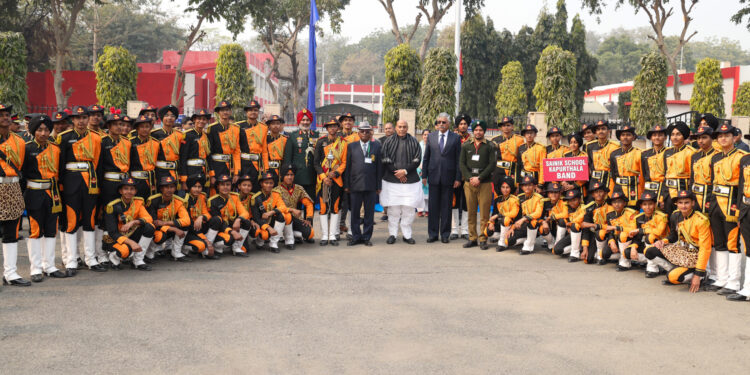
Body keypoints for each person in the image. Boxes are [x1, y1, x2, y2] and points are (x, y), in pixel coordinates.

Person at [57, 105, 105, 274]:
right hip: (71, 181)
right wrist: (61, 186)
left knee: (90, 219)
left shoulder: (97, 138)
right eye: (78, 118)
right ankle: (71, 260)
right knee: (71, 220)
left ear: (88, 119)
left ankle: (91, 258)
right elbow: (60, 165)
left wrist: (98, 185)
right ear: (73, 120)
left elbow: (98, 164)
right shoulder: (64, 138)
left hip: (90, 181)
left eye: (84, 117)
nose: (81, 121)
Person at [22, 114, 66, 282]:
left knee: (50, 230)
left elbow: (60, 172)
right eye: (39, 130)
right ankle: (36, 268)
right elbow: (23, 173)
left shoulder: (55, 149)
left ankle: (50, 265)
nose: (43, 133)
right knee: (35, 230)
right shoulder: (26, 148)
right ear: (34, 131)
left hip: (52, 192)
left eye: (47, 130)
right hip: (34, 192)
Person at [644, 190, 712, 293]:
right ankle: (675, 269)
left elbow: (705, 249)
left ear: (693, 203)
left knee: (672, 277)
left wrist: (698, 274)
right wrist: (664, 241)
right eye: (680, 203)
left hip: (695, 256)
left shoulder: (701, 220)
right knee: (649, 251)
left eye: (686, 202)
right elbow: (673, 236)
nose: (683, 206)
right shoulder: (675, 216)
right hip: (683, 252)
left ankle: (700, 275)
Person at [705, 123, 745, 295]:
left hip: (731, 204)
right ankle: (721, 277)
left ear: (734, 137)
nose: (723, 138)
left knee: (732, 243)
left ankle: (734, 281)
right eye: (720, 136)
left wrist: (739, 209)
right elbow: (712, 182)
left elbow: (743, 185)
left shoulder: (742, 157)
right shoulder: (715, 158)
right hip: (716, 203)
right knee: (719, 242)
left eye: (726, 135)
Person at [97, 111, 131, 266]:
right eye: (116, 124)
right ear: (108, 126)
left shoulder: (127, 142)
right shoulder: (102, 141)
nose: (119, 127)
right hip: (108, 183)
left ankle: (115, 249)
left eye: (121, 124)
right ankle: (102, 251)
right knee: (106, 218)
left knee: (120, 216)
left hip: (122, 183)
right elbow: (99, 167)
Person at [422, 113, 462, 244]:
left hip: (449, 178)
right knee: (433, 207)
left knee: (446, 207)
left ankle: (445, 234)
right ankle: (432, 234)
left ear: (448, 124)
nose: (441, 124)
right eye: (439, 122)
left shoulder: (455, 138)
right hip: (433, 177)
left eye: (443, 122)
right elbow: (426, 157)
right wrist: (424, 175)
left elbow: (458, 160)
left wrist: (457, 178)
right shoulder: (431, 137)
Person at [381, 119, 423, 245]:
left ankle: (407, 234)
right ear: (396, 128)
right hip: (392, 180)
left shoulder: (414, 141)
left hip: (410, 181)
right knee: (393, 210)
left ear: (407, 127)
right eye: (399, 126)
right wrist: (398, 173)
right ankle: (392, 234)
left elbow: (417, 159)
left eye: (404, 127)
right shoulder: (388, 141)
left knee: (408, 209)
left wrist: (405, 171)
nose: (402, 129)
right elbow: (385, 158)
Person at [0, 103, 28, 286]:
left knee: (11, 232)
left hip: (12, 187)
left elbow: (22, 166)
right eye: (1, 114)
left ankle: (10, 273)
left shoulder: (19, 141)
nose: (5, 117)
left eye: (7, 114)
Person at [102, 176, 154, 271]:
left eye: (132, 189)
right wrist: (131, 242)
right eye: (126, 189)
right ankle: (113, 256)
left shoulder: (138, 202)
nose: (129, 192)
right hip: (115, 238)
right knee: (125, 250)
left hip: (129, 234)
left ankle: (138, 260)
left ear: (135, 191)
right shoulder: (112, 206)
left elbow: (149, 218)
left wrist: (133, 222)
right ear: (120, 191)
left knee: (149, 227)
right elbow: (113, 233)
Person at [458, 120, 496, 250]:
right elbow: (462, 164)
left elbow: (492, 164)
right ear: (472, 131)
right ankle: (472, 238)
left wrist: (479, 177)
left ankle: (483, 238)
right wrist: (470, 178)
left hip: (484, 183)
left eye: (480, 130)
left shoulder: (490, 146)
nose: (478, 132)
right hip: (469, 184)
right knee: (471, 212)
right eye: (476, 130)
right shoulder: (466, 146)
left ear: (484, 131)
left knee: (484, 213)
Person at [344, 121, 381, 246]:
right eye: (362, 131)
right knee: (354, 213)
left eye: (367, 131)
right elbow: (348, 167)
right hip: (355, 185)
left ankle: (366, 237)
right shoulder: (351, 146)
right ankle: (356, 236)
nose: (365, 133)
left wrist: (378, 186)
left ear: (371, 133)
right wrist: (347, 185)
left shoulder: (376, 146)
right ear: (358, 133)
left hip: (371, 185)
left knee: (369, 213)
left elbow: (379, 168)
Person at [314, 119, 347, 246]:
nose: (332, 128)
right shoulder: (321, 142)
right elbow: (316, 163)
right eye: (330, 126)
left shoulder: (343, 143)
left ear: (338, 128)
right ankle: (324, 235)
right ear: (327, 128)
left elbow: (344, 162)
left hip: (337, 180)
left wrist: (336, 173)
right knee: (323, 208)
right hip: (323, 180)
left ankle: (332, 235)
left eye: (334, 126)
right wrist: (324, 177)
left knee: (335, 207)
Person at [147, 176, 191, 262]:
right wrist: (173, 228)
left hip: (165, 226)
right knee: (159, 236)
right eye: (166, 187)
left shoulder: (178, 201)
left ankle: (176, 253)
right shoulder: (153, 201)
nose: (169, 190)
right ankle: (149, 254)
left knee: (185, 226)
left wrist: (165, 223)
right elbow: (154, 222)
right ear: (161, 188)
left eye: (172, 187)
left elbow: (187, 220)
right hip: (156, 229)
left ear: (175, 188)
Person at [626, 191, 669, 278]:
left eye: (650, 204)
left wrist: (641, 230)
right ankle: (656, 263)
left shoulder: (662, 216)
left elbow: (658, 232)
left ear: (655, 204)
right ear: (641, 206)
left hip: (662, 245)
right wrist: (634, 247)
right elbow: (637, 237)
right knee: (627, 252)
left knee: (650, 237)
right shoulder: (638, 218)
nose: (648, 207)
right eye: (645, 204)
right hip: (648, 246)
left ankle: (653, 268)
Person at [207, 174, 251, 256]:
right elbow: (219, 222)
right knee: (229, 239)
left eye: (228, 185)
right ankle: (213, 246)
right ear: (218, 186)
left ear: (231, 186)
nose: (225, 187)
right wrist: (232, 232)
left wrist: (238, 220)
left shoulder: (235, 197)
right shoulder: (212, 201)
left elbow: (245, 213)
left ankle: (236, 248)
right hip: (219, 229)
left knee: (247, 222)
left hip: (231, 225)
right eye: (222, 185)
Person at [274, 165, 315, 249]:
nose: (289, 177)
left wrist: (309, 218)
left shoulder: (299, 188)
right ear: (282, 176)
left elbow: (309, 203)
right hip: (282, 218)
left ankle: (292, 234)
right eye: (287, 175)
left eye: (291, 175)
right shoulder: (276, 190)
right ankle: (287, 238)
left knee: (310, 233)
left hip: (295, 219)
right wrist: (291, 211)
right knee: (285, 217)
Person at [282, 109, 319, 202]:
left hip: (312, 176)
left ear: (310, 121)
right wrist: (288, 176)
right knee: (295, 204)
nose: (305, 122)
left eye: (307, 120)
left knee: (310, 203)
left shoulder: (316, 135)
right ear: (299, 121)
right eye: (303, 120)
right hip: (297, 177)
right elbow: (287, 159)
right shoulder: (293, 136)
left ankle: (309, 217)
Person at [728, 149, 750, 301]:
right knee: (748, 249)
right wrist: (739, 211)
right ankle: (747, 289)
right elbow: (741, 186)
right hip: (746, 208)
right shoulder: (745, 160)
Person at [250, 171, 290, 253]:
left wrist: (270, 212)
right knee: (264, 235)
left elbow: (283, 207)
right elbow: (256, 218)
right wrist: (269, 228)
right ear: (261, 184)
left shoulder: (276, 194)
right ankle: (259, 241)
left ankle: (273, 243)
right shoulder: (255, 198)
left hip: (270, 219)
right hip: (261, 223)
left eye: (271, 183)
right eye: (266, 183)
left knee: (282, 215)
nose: (269, 185)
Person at [183, 174, 218, 259]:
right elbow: (189, 223)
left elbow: (207, 214)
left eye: (199, 187)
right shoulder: (185, 200)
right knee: (200, 246)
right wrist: (205, 239)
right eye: (194, 187)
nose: (197, 189)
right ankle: (183, 248)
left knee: (217, 219)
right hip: (189, 230)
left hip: (199, 227)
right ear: (189, 187)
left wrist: (201, 217)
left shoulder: (202, 197)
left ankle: (207, 249)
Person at [663, 121, 695, 214]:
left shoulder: (691, 152)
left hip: (683, 193)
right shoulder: (667, 152)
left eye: (678, 134)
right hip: (668, 193)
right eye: (672, 134)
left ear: (684, 136)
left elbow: (693, 177)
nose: (675, 137)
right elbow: (665, 175)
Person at [207, 100, 241, 186]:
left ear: (230, 112)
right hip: (216, 166)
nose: (225, 112)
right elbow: (208, 153)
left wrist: (237, 172)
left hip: (231, 166)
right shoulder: (212, 128)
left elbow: (236, 152)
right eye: (222, 110)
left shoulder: (236, 128)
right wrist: (211, 174)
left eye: (227, 110)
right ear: (218, 112)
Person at [507, 175, 543, 255]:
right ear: (522, 187)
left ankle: (528, 246)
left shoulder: (539, 198)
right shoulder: (519, 198)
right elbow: (516, 214)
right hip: (523, 224)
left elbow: (538, 213)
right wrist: (512, 227)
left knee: (532, 221)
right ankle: (528, 239)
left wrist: (523, 219)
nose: (527, 187)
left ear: (534, 186)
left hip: (535, 223)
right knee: (509, 241)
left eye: (530, 185)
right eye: (525, 185)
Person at [609, 125, 643, 208]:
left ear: (633, 137)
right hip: (619, 189)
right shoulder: (614, 154)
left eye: (628, 135)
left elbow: (642, 175)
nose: (625, 137)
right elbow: (613, 175)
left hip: (634, 189)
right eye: (623, 135)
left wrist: (642, 192)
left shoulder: (640, 153)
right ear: (620, 137)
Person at [581, 181, 614, 264]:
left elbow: (611, 226)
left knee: (601, 234)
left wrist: (595, 225)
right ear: (593, 195)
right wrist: (585, 248)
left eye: (601, 191)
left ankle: (601, 255)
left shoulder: (611, 208)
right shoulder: (589, 208)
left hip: (607, 234)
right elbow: (585, 227)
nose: (598, 194)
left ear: (605, 193)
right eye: (596, 192)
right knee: (588, 260)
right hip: (594, 235)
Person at [605, 190, 639, 271]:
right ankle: (622, 256)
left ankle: (625, 262)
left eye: (619, 202)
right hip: (617, 239)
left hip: (630, 239)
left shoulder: (631, 213)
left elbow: (633, 229)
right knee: (604, 254)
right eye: (614, 202)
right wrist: (611, 241)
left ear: (624, 203)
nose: (617, 204)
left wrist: (617, 228)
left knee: (623, 235)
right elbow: (610, 232)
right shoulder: (610, 215)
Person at [337, 113, 359, 238]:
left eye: (350, 120)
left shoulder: (356, 136)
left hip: (351, 172)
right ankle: (338, 225)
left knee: (349, 200)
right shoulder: (337, 136)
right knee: (338, 200)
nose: (347, 123)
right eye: (345, 120)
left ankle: (349, 226)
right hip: (339, 172)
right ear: (341, 123)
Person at [238, 100, 267, 192]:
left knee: (255, 189)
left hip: (257, 164)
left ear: (258, 112)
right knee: (243, 189)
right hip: (244, 163)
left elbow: (264, 150)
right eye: (250, 110)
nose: (253, 112)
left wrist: (265, 168)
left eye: (255, 110)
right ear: (246, 112)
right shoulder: (238, 126)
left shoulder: (263, 127)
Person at [451, 113, 472, 239]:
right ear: (457, 126)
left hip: (468, 176)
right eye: (461, 124)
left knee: (466, 203)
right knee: (454, 202)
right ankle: (454, 230)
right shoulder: (453, 138)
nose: (463, 126)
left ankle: (464, 230)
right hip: (454, 176)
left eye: (465, 124)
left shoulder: (472, 139)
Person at [484, 176, 519, 252]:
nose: (505, 190)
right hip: (501, 226)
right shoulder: (498, 199)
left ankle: (503, 243)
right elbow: (493, 214)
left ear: (511, 188)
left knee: (506, 219)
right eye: (503, 187)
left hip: (513, 227)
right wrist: (491, 223)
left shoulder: (515, 200)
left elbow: (513, 214)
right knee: (487, 231)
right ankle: (504, 238)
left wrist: (499, 215)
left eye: (507, 187)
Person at [179, 109, 211, 190]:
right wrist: (183, 179)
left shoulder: (206, 136)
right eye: (199, 119)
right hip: (190, 171)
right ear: (194, 120)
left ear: (207, 121)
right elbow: (183, 158)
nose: (201, 121)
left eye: (204, 119)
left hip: (202, 171)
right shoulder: (187, 135)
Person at [587, 120, 619, 195]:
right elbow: (589, 164)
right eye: (598, 129)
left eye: (603, 129)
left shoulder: (615, 146)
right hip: (595, 180)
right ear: (595, 132)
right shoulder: (590, 146)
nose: (601, 131)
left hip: (609, 180)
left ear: (608, 131)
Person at [553, 189, 586, 260]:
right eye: (570, 200)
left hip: (583, 234)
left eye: (574, 200)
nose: (572, 202)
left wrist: (570, 224)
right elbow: (564, 215)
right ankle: (578, 247)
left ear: (580, 200)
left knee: (575, 225)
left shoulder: (583, 207)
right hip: (572, 234)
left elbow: (580, 219)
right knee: (557, 250)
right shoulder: (567, 207)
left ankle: (575, 253)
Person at [491, 116, 524, 186]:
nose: (506, 127)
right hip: (498, 171)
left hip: (512, 171)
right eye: (504, 125)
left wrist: (518, 175)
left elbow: (520, 159)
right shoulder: (495, 140)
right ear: (501, 128)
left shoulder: (519, 140)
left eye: (508, 125)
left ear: (512, 127)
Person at [153, 105, 184, 181]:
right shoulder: (154, 135)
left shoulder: (180, 135)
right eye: (166, 115)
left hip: (175, 172)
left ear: (175, 118)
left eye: (172, 116)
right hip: (159, 173)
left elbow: (183, 156)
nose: (169, 118)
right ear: (162, 118)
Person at [641, 125, 668, 209]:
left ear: (665, 137)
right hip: (649, 190)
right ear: (651, 138)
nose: (657, 138)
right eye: (654, 135)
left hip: (664, 190)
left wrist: (664, 196)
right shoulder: (645, 154)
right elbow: (643, 174)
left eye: (660, 135)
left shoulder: (669, 153)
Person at [690, 125, 716, 214]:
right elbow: (692, 178)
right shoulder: (695, 156)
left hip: (709, 196)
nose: (701, 141)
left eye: (704, 137)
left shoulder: (717, 156)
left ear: (712, 138)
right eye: (698, 138)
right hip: (695, 195)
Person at [516, 124, 546, 191]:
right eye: (527, 133)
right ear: (524, 135)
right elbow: (518, 166)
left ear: (535, 135)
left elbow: (543, 167)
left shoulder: (541, 148)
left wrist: (540, 184)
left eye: (531, 133)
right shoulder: (521, 148)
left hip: (535, 179)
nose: (529, 135)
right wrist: (518, 183)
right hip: (523, 178)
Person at [562, 132, 587, 197]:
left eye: (575, 142)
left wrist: (574, 185)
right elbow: (561, 170)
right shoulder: (565, 155)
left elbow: (586, 174)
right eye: (571, 142)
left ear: (579, 143)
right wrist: (563, 182)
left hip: (579, 186)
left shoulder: (584, 156)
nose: (573, 145)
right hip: (567, 186)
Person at [265, 115, 288, 182]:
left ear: (281, 125)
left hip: (280, 169)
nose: (275, 126)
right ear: (269, 126)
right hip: (267, 168)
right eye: (273, 124)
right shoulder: (265, 139)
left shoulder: (285, 139)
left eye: (278, 123)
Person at [418, 129, 430, 217]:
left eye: (427, 134)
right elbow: (416, 158)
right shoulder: (418, 145)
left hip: (429, 171)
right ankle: (420, 209)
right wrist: (420, 169)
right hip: (419, 170)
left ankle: (427, 210)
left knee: (428, 191)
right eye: (424, 134)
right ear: (422, 136)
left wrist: (427, 170)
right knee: (420, 190)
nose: (426, 136)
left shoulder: (432, 145)